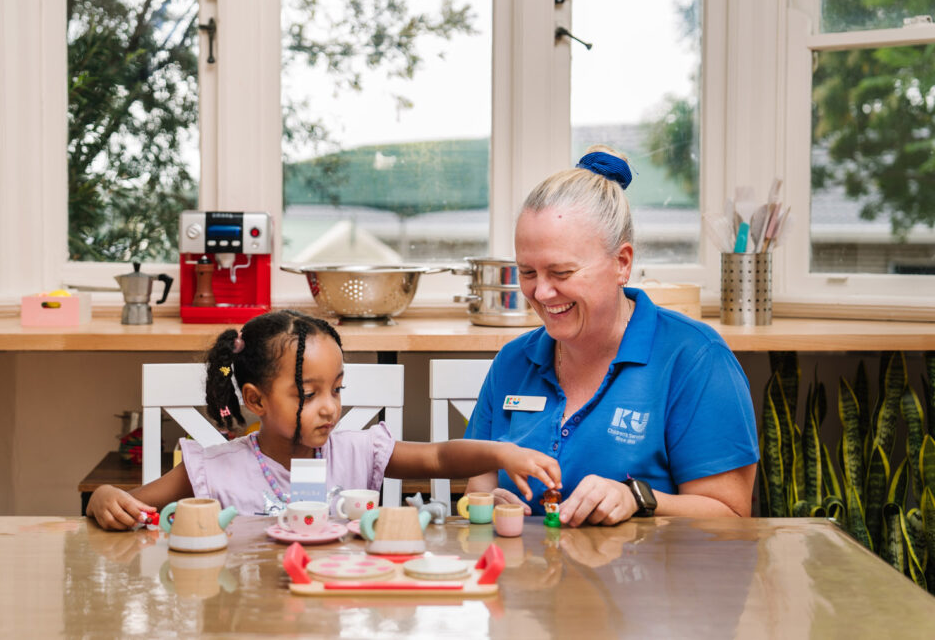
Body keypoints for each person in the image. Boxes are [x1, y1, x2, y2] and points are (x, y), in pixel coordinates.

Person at [463, 145, 759, 527]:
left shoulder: (696, 359)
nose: (541, 293)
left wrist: (637, 498)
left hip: (650, 584)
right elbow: (477, 488)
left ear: (622, 264)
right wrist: (487, 502)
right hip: (527, 582)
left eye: (562, 273)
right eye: (528, 272)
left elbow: (732, 517)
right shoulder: (512, 361)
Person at [88, 309, 561, 530]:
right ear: (255, 399)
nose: (330, 407)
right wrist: (104, 499)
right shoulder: (214, 469)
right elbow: (132, 508)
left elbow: (438, 455)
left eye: (337, 389)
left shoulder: (357, 450)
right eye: (308, 394)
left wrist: (502, 451)